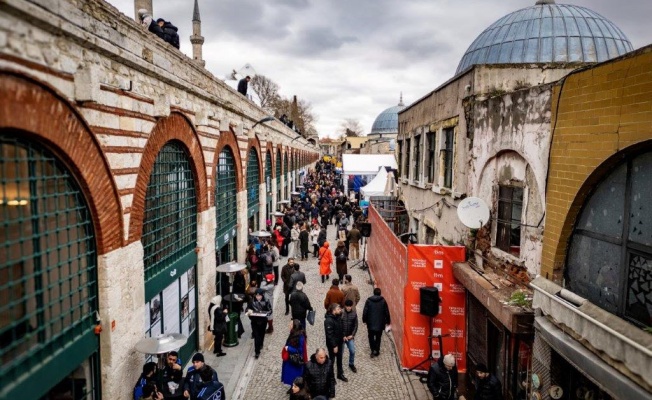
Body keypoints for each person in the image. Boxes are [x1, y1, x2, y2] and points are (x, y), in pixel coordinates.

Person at [362, 287, 391, 357]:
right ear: (380, 293)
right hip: (380, 323)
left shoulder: (368, 301)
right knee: (378, 338)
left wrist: (364, 320)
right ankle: (377, 351)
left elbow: (365, 311)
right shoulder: (383, 301)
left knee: (371, 337)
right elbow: (387, 312)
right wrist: (388, 321)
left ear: (373, 293)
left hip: (371, 323)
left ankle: (372, 350)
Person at [245, 288, 272, 358]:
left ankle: (261, 344)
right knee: (256, 336)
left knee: (262, 334)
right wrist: (249, 312)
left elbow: (270, 310)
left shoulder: (266, 301)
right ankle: (257, 351)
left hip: (263, 321)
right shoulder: (251, 301)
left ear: (262, 295)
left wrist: (265, 313)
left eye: (259, 296)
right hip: (254, 321)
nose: (258, 297)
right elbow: (247, 309)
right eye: (257, 296)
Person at [324, 303, 347, 382]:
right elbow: (329, 335)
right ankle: (331, 377)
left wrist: (343, 335)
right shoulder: (328, 320)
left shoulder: (338, 317)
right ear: (333, 311)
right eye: (338, 309)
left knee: (339, 359)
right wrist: (334, 346)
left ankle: (340, 374)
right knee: (332, 360)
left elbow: (341, 327)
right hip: (333, 345)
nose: (340, 310)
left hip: (340, 342)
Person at [282, 320, 308, 387]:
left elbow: (300, 350)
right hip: (290, 359)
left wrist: (288, 348)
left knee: (294, 376)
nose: (289, 325)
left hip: (295, 361)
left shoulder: (300, 337)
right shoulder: (293, 333)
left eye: (290, 324)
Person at [341, 299, 358, 374]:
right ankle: (339, 365)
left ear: (351, 307)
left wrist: (352, 335)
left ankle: (351, 364)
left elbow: (356, 325)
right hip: (342, 337)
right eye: (347, 306)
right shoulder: (341, 313)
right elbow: (338, 325)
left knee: (352, 351)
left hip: (350, 336)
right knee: (340, 353)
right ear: (345, 306)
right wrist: (342, 335)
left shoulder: (354, 314)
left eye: (349, 306)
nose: (348, 308)